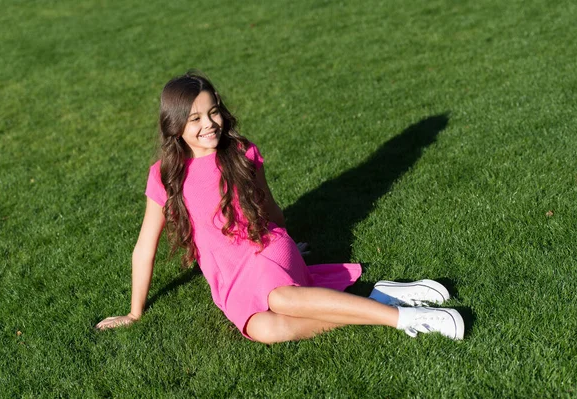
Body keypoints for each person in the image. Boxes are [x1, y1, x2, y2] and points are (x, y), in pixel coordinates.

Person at [95, 71, 465, 343]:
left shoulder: (240, 153)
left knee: (281, 297)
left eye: (213, 112)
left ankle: (405, 318)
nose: (210, 124)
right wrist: (134, 311)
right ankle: (374, 298)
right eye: (195, 119)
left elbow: (269, 206)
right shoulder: (164, 175)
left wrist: (289, 249)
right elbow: (145, 248)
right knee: (264, 329)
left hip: (265, 247)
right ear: (174, 126)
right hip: (228, 275)